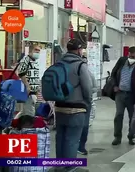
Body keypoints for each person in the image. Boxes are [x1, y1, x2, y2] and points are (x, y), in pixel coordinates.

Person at [54, 39, 92, 172]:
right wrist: (88, 102)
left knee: (60, 137)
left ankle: (59, 165)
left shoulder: (58, 63)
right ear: (78, 50)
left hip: (59, 106)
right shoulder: (80, 65)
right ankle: (70, 167)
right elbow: (87, 88)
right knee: (72, 138)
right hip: (76, 108)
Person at [111, 46, 135, 146]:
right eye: (129, 56)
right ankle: (117, 137)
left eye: (133, 57)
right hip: (120, 94)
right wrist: (114, 85)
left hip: (132, 96)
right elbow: (113, 74)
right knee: (118, 115)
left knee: (132, 117)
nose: (131, 58)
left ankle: (131, 136)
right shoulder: (122, 61)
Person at [78, 48, 97, 155]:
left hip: (73, 102)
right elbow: (93, 88)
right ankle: (80, 146)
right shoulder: (86, 71)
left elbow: (94, 87)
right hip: (84, 102)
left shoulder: (88, 73)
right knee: (83, 125)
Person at [16, 44, 41, 118]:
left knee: (24, 112)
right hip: (28, 91)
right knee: (30, 112)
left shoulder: (35, 61)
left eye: (39, 50)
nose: (37, 52)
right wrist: (27, 86)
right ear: (30, 51)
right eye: (36, 50)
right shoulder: (26, 59)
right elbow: (21, 73)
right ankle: (27, 128)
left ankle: (11, 126)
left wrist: (37, 88)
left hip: (33, 91)